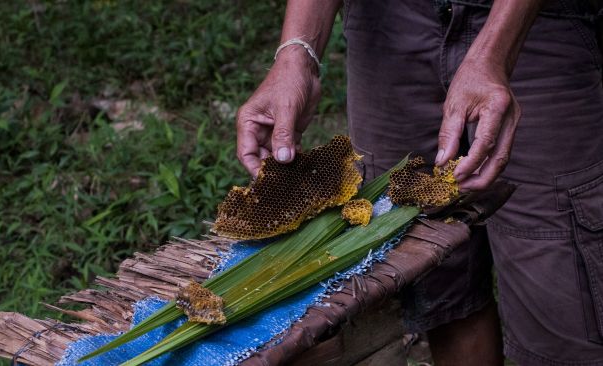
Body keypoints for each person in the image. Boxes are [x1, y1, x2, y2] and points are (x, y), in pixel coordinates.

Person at [235, 1, 603, 365]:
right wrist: (296, 52)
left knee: (561, 290)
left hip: (541, 23)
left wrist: (496, 52)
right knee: (437, 277)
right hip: (387, 27)